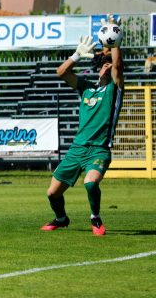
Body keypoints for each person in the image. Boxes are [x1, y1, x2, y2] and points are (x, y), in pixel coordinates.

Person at [41, 20, 124, 236]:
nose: (108, 66)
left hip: (98, 150)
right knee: (52, 194)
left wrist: (115, 40)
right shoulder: (87, 88)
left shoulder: (115, 89)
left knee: (90, 183)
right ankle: (61, 218)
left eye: (109, 63)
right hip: (77, 149)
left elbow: (118, 67)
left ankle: (95, 217)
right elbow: (61, 73)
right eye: (104, 63)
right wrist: (76, 55)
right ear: (98, 69)